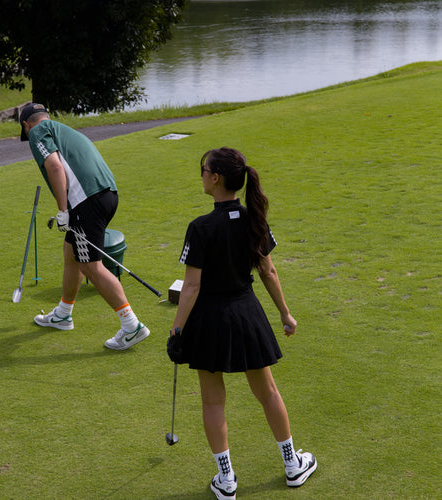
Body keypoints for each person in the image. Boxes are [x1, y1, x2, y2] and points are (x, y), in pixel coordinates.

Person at [167, 147, 316, 499]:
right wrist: (285, 313)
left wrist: (176, 331)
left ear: (215, 178)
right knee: (268, 393)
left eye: (203, 169)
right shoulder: (254, 220)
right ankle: (293, 465)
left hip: (209, 320)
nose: (201, 174)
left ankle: (227, 480)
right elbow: (268, 270)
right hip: (247, 316)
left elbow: (192, 286)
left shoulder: (200, 227)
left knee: (212, 403)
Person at [19, 102, 149, 350]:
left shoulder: (37, 132)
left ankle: (132, 326)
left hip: (86, 202)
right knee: (71, 253)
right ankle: (63, 314)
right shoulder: (64, 129)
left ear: (26, 125)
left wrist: (63, 211)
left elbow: (55, 166)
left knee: (91, 266)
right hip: (107, 195)